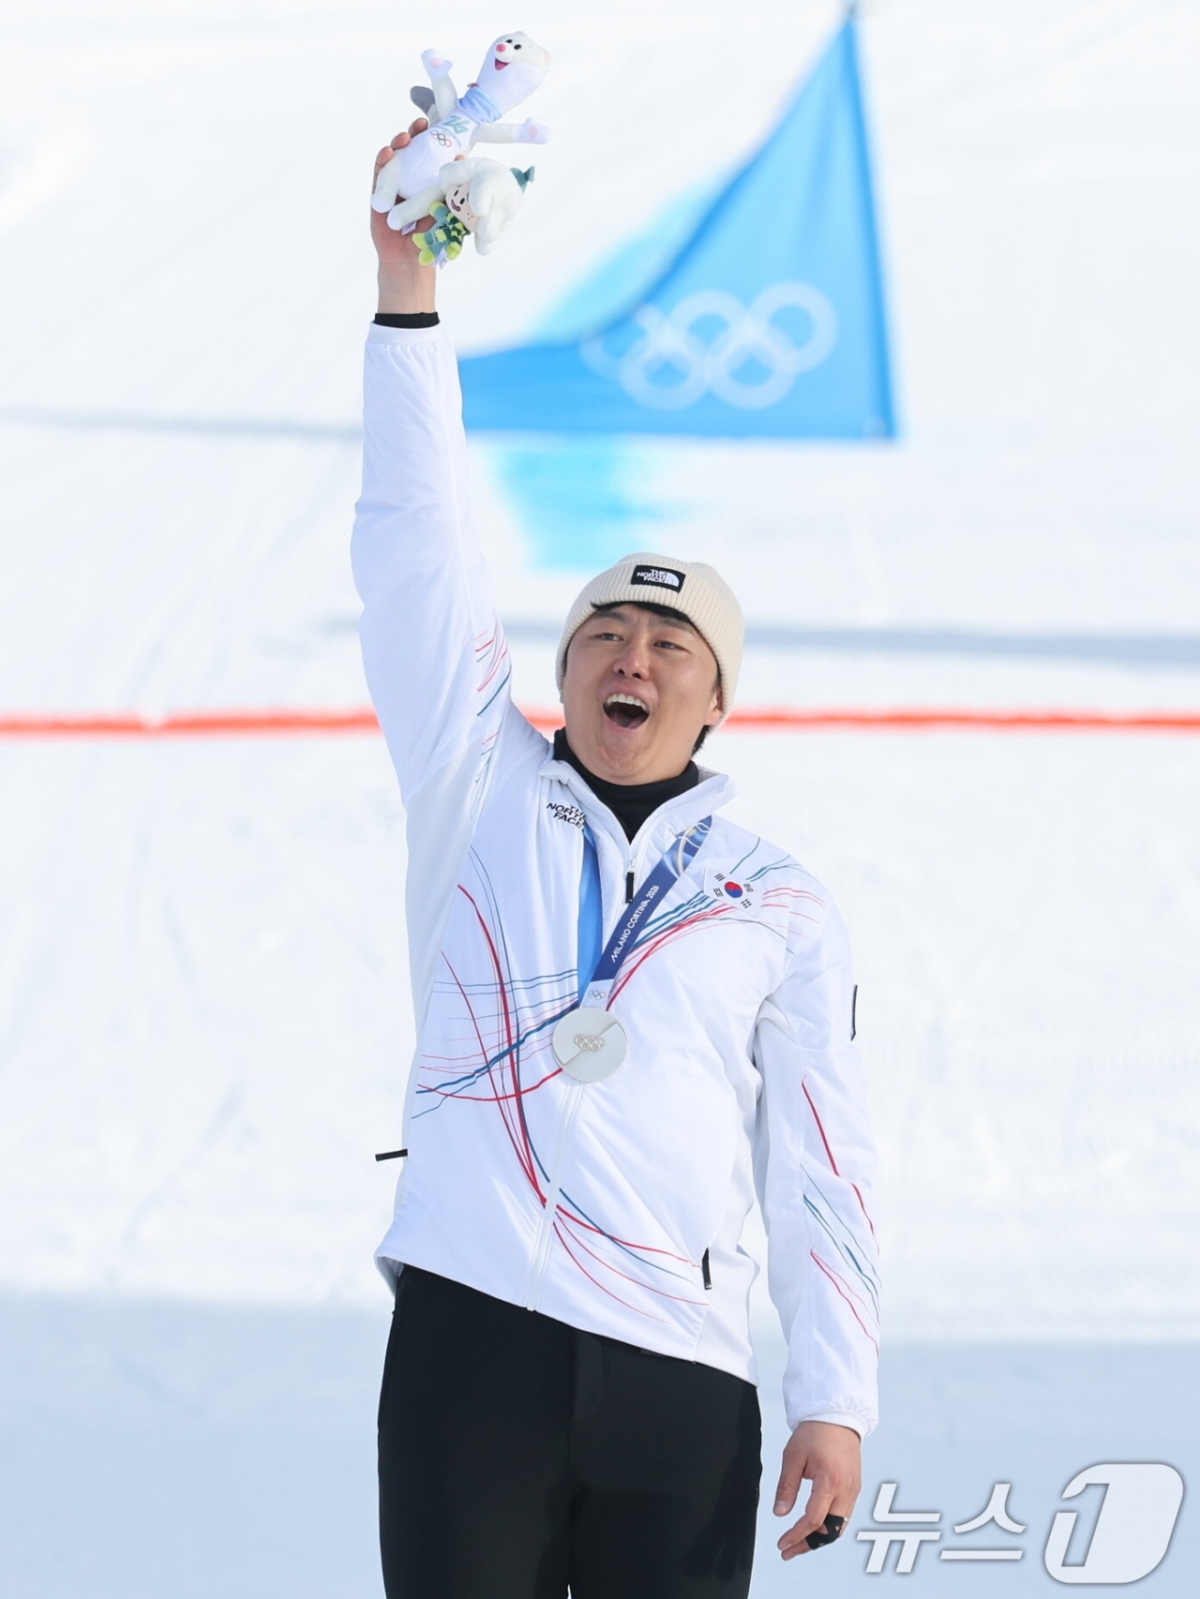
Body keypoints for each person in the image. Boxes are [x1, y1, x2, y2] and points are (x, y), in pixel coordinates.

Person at [353, 123, 882, 1599]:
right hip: (478, 1342)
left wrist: (835, 1394)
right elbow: (416, 544)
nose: (629, 659)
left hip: (681, 1379)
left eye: (669, 645)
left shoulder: (776, 900)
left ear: (716, 698)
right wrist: (408, 293)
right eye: (602, 635)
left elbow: (820, 1162)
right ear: (564, 670)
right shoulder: (480, 780)